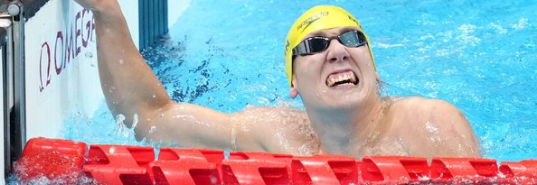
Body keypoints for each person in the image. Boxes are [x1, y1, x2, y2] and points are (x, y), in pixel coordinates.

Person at [74, 2, 481, 159]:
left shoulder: (430, 125)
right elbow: (149, 118)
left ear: (372, 64)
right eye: (315, 45)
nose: (337, 51)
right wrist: (108, 14)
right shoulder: (273, 134)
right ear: (294, 84)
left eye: (352, 39)